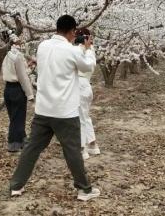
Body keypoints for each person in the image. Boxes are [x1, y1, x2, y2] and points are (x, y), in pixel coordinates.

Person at [8, 15, 100, 201]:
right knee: (72, 151)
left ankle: (16, 186)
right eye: (75, 33)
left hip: (43, 110)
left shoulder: (43, 46)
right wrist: (88, 49)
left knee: (32, 149)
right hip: (65, 112)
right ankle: (84, 190)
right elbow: (88, 66)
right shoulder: (72, 50)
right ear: (73, 31)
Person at [1, 32, 35, 152]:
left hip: (8, 89)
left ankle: (22, 140)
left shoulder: (5, 54)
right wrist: (30, 94)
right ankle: (13, 144)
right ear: (14, 40)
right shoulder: (17, 55)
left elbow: (17, 71)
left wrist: (28, 66)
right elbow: (23, 77)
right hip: (17, 89)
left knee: (14, 117)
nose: (21, 40)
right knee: (18, 117)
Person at [74, 28, 100, 160]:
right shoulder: (90, 51)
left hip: (80, 85)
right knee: (85, 116)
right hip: (86, 86)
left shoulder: (82, 50)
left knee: (81, 118)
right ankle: (92, 144)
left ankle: (82, 148)